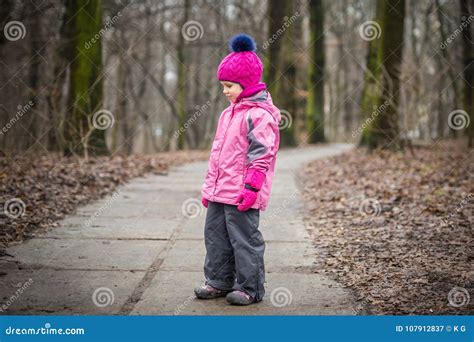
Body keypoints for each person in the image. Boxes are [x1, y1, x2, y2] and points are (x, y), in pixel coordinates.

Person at [195, 33, 281, 305]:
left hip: (243, 192)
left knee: (244, 240)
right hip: (221, 191)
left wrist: (253, 187)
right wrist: (209, 188)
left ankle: (250, 287)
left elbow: (263, 155)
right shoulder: (228, 113)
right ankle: (218, 281)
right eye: (222, 85)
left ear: (245, 84)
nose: (224, 91)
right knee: (215, 237)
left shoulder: (259, 115)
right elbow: (217, 155)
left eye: (229, 85)